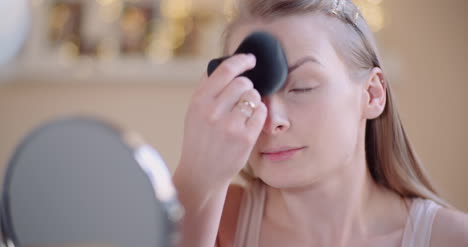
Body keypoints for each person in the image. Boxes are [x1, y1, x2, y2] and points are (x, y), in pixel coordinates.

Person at [172, 0, 468, 246]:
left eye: (301, 88)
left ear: (373, 94)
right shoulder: (213, 221)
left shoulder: (450, 238)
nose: (271, 121)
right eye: (253, 92)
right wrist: (195, 182)